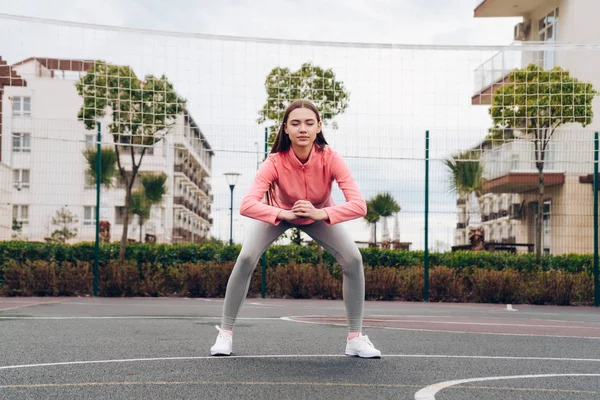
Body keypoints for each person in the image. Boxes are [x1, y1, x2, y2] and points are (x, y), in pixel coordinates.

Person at [210, 99, 381, 358]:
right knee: (245, 258)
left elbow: (359, 205)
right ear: (286, 129)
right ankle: (225, 333)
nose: (303, 128)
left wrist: (320, 213)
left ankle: (355, 338)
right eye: (296, 123)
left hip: (318, 215)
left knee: (353, 259)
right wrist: (283, 213)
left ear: (319, 128)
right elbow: (247, 205)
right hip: (279, 213)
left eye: (309, 123)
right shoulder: (274, 161)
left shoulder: (331, 158)